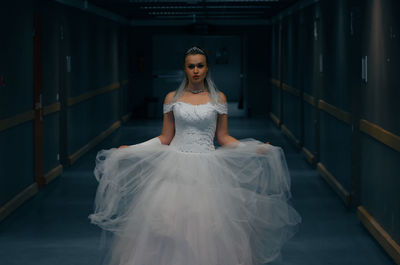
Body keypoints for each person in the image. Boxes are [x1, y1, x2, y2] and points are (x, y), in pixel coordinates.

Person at [89, 46, 301, 265]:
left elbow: (224, 137)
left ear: (207, 68)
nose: (196, 70)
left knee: (207, 225)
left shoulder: (218, 98)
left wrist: (254, 148)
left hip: (208, 168)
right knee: (169, 225)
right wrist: (133, 149)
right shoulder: (172, 98)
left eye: (200, 65)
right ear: (185, 69)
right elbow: (165, 137)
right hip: (175, 165)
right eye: (191, 66)